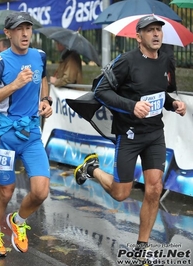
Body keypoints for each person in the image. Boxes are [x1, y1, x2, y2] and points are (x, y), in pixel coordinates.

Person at [73, 15, 186, 261]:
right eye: (150, 31)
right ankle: (92, 170)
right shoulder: (125, 62)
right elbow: (101, 91)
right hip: (130, 134)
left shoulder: (165, 61)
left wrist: (173, 103)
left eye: (158, 30)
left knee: (154, 188)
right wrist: (131, 105)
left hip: (155, 134)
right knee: (121, 193)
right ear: (138, 37)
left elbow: (159, 94)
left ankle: (141, 248)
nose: (156, 34)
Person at [0, 11, 53, 257]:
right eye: (19, 29)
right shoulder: (0, 61)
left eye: (28, 28)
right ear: (8, 33)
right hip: (6, 133)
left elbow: (44, 78)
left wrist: (45, 99)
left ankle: (18, 221)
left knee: (41, 191)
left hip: (31, 132)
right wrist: (14, 85)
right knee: (6, 190)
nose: (24, 34)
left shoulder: (39, 55)